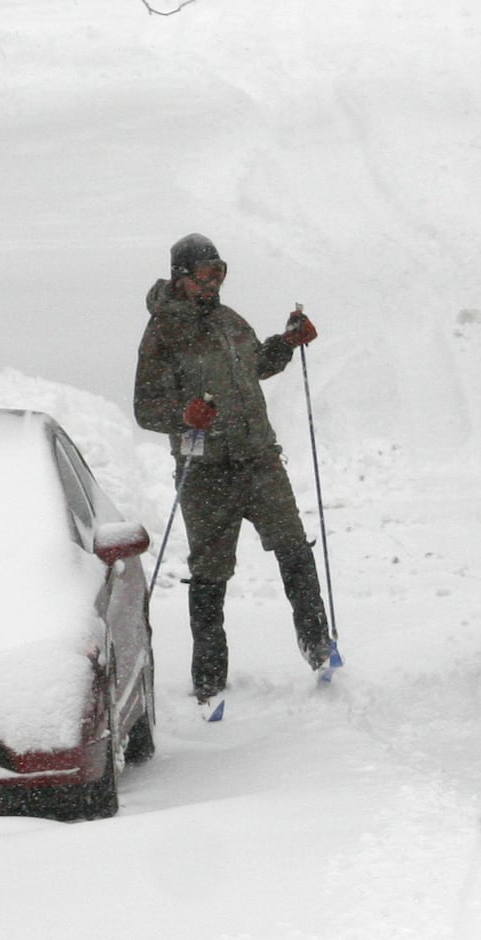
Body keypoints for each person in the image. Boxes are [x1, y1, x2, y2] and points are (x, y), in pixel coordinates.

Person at [134, 233, 331, 702]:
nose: (213, 282)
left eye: (220, 272)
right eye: (205, 274)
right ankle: (209, 679)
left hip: (260, 460)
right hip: (205, 473)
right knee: (211, 573)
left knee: (294, 550)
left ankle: (319, 646)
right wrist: (182, 415)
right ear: (181, 278)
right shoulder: (163, 332)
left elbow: (254, 366)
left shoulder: (228, 320)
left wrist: (286, 342)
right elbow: (145, 408)